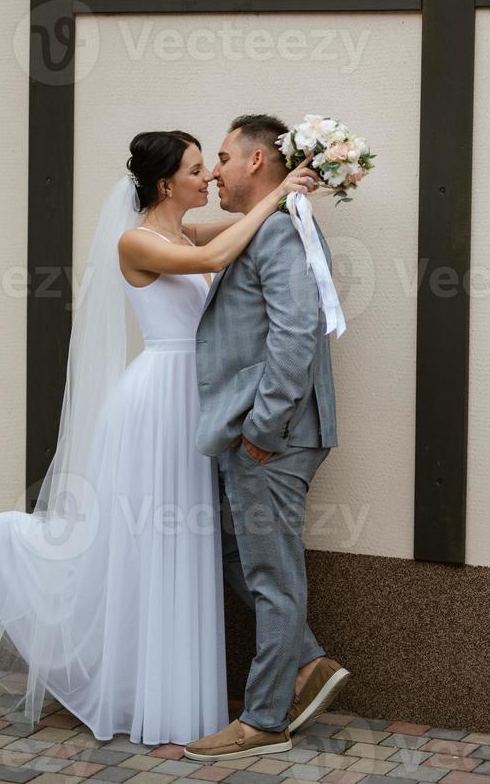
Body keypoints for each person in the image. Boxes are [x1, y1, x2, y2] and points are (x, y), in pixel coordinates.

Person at [0, 128, 318, 746]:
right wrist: (275, 201)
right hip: (159, 398)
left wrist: (276, 200)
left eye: (213, 166)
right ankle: (144, 686)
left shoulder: (180, 230)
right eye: (199, 169)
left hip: (197, 396)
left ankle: (196, 688)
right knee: (158, 538)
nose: (210, 178)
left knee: (193, 540)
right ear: (167, 182)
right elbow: (216, 260)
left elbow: (224, 242)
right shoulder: (136, 241)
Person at [183, 115, 351, 761]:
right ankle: (306, 664)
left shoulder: (280, 232)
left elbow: (296, 336)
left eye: (223, 157)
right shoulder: (274, 225)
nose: (217, 172)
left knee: (271, 573)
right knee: (237, 551)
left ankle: (263, 720)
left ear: (257, 162)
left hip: (271, 441)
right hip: (265, 436)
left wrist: (261, 432)